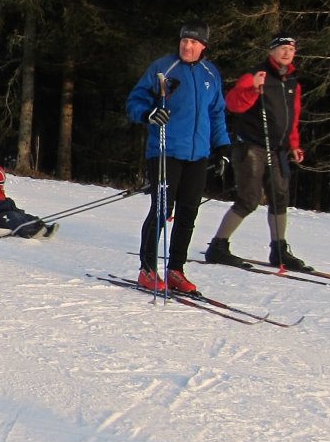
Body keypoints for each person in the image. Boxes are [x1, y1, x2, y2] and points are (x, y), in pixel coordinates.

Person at [126, 20, 230, 294]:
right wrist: (149, 113)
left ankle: (176, 270)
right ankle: (147, 269)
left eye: (193, 42)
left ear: (203, 46)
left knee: (188, 212)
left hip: (198, 154)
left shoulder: (210, 73)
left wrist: (222, 147)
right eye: (184, 40)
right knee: (162, 209)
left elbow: (217, 113)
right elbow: (135, 101)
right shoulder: (163, 67)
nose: (187, 46)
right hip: (165, 150)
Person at [205, 33, 312, 272]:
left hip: (278, 148)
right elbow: (233, 103)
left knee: (280, 196)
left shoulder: (292, 83)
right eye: (282, 48)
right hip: (251, 146)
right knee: (249, 198)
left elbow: (292, 117)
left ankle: (279, 249)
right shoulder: (256, 75)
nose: (287, 53)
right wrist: (253, 89)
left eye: (291, 49)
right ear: (271, 51)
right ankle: (218, 246)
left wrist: (294, 144)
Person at [0, 165, 55, 237]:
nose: (0, 186)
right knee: (13, 216)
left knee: (21, 213)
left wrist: (9, 203)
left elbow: (0, 202)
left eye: (1, 184)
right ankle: (27, 231)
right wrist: (6, 204)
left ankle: (41, 226)